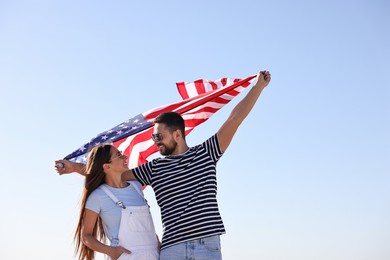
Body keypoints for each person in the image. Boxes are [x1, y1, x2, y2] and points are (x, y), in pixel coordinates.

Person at [56, 70, 271, 259]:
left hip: (208, 248)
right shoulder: (154, 169)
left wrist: (258, 87)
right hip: (171, 250)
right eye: (153, 137)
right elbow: (111, 173)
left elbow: (234, 120)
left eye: (159, 136)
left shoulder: (207, 153)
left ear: (177, 134)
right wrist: (74, 168)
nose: (155, 141)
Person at [63, 144, 160, 260]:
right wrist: (111, 251)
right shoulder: (98, 196)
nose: (125, 157)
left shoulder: (136, 186)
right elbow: (86, 236)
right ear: (107, 167)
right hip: (126, 257)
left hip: (155, 255)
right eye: (119, 155)